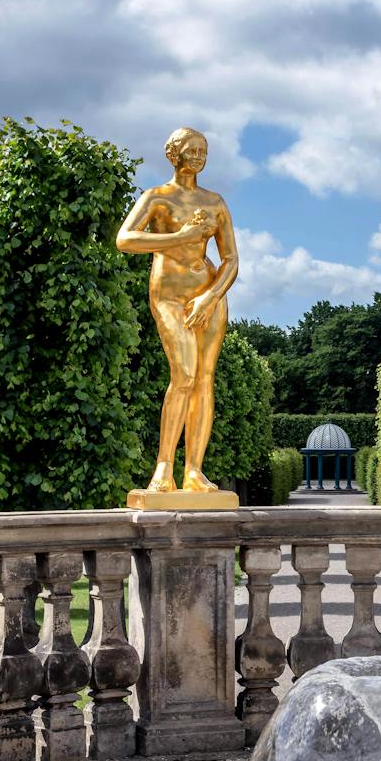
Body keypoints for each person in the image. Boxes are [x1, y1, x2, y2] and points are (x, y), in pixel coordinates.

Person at [116, 127, 240, 493]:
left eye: (204, 150)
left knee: (205, 379)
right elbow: (125, 239)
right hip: (169, 295)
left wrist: (211, 296)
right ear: (174, 154)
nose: (199, 156)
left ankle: (194, 471)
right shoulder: (157, 198)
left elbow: (231, 260)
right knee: (184, 375)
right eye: (192, 150)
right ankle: (163, 467)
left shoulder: (215, 202)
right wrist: (182, 237)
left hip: (208, 294)